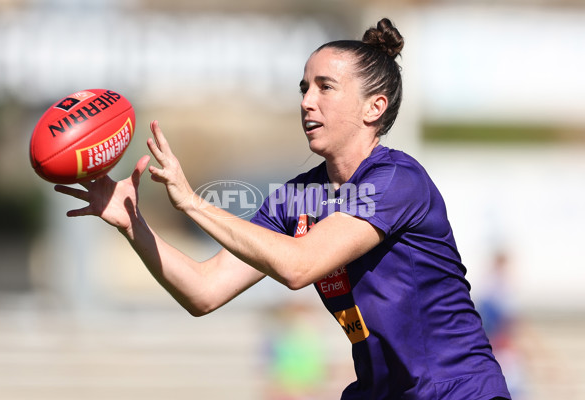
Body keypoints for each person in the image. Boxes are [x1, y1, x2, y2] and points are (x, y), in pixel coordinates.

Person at [55, 18, 512, 400]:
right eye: (303, 87)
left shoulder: (397, 181)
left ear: (375, 107)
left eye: (325, 87)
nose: (306, 101)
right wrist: (133, 222)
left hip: (457, 391)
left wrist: (192, 203)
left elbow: (299, 267)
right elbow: (204, 291)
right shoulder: (296, 198)